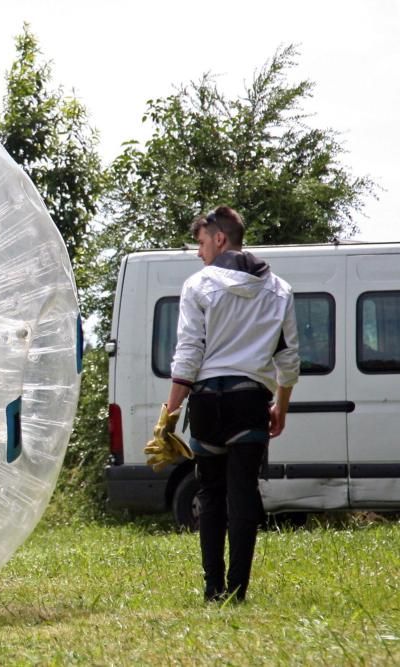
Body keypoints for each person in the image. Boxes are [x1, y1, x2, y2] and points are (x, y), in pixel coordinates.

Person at [166, 206, 300, 603]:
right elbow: (289, 361)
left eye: (202, 242)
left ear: (220, 239)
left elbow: (188, 354)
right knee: (244, 493)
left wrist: (170, 416)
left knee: (210, 494)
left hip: (207, 402)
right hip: (250, 402)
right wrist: (281, 407)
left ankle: (213, 588)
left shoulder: (198, 285)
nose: (198, 251)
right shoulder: (280, 290)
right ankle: (239, 591)